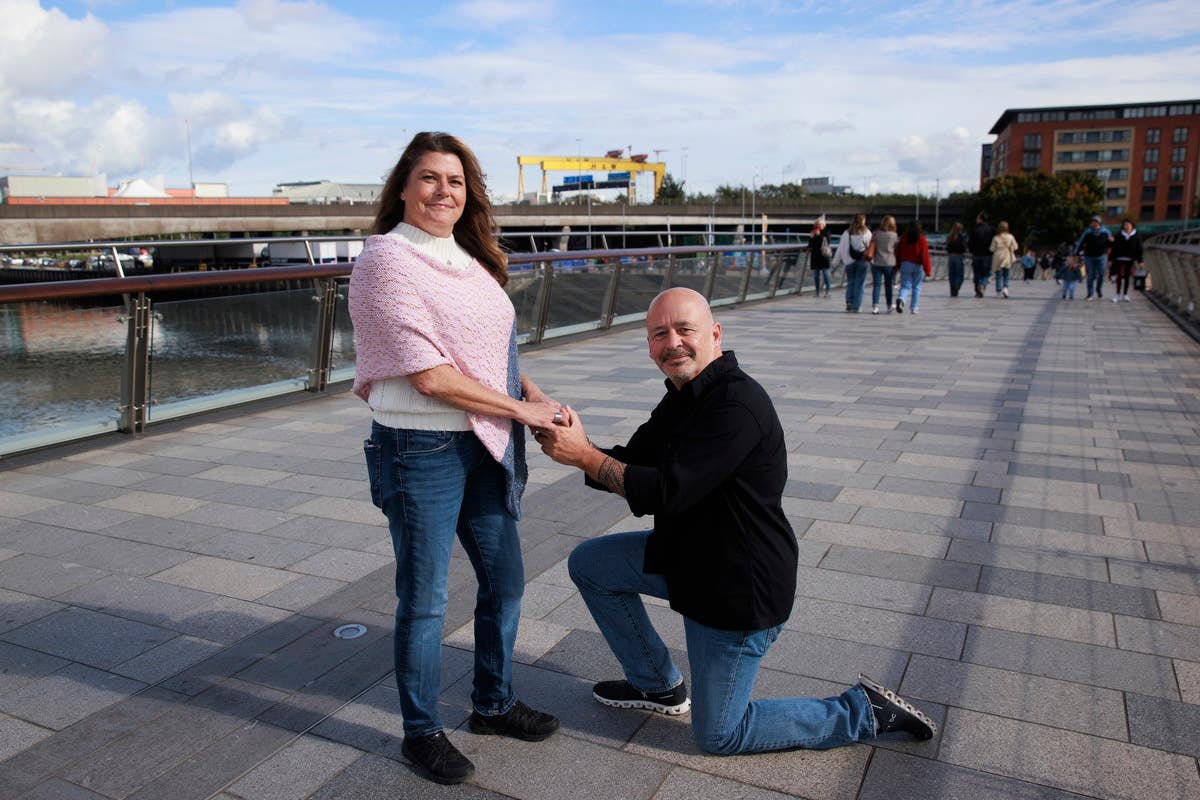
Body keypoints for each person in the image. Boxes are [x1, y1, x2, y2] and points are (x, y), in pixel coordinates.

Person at [533, 287, 937, 756]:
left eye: (685, 330)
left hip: (735, 589)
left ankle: (862, 712)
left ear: (715, 334)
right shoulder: (684, 396)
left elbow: (667, 491)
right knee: (591, 564)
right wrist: (571, 437)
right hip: (687, 558)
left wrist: (583, 457)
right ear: (649, 345)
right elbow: (634, 463)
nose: (673, 343)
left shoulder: (736, 405)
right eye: (659, 334)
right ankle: (657, 685)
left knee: (721, 734)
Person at [348, 131, 560, 785]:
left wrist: (533, 392)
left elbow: (494, 352)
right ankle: (421, 732)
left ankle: (492, 704)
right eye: (432, 178)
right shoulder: (385, 259)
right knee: (427, 599)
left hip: (483, 443)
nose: (446, 190)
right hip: (419, 448)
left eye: (457, 180)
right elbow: (430, 376)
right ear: (405, 188)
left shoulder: (471, 259)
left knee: (506, 583)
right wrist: (522, 413)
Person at [832, 213, 873, 313]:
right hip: (862, 261)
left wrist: (834, 263)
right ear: (863, 221)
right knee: (859, 284)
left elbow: (840, 249)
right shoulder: (867, 233)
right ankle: (856, 306)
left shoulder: (847, 233)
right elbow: (871, 248)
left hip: (849, 262)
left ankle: (849, 301)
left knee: (851, 282)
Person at [895, 219, 932, 314]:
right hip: (917, 265)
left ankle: (901, 299)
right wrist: (927, 270)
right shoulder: (921, 238)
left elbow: (898, 252)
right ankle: (914, 307)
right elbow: (925, 255)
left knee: (905, 286)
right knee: (916, 287)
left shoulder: (904, 238)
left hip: (905, 264)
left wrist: (898, 264)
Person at [1074, 215, 1113, 300]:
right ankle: (1090, 294)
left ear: (1099, 223)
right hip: (1089, 257)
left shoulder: (1106, 232)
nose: (1094, 223)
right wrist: (1076, 254)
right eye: (1092, 222)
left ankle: (1099, 290)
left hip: (1102, 256)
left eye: (1096, 222)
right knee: (1090, 276)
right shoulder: (1088, 232)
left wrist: (1111, 245)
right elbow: (1080, 243)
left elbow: (1112, 243)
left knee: (1101, 275)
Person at [869, 214, 899, 314]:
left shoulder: (876, 233)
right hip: (889, 263)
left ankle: (875, 306)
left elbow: (872, 246)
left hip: (876, 262)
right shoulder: (894, 235)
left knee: (876, 285)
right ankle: (889, 305)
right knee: (888, 286)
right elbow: (896, 250)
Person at [1109, 218, 1143, 302]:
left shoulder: (1136, 235)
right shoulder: (1119, 235)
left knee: (1127, 277)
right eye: (1125, 225)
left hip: (1130, 259)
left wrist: (1140, 261)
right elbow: (1113, 248)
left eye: (1128, 225)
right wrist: (1110, 259)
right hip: (1119, 259)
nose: (1126, 226)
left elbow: (1139, 249)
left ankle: (1125, 294)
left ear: (1132, 226)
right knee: (1119, 277)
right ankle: (1117, 294)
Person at [968, 212, 995, 298]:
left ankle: (977, 288)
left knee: (977, 272)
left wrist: (971, 250)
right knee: (986, 273)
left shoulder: (974, 230)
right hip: (987, 254)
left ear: (980, 219)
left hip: (976, 254)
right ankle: (983, 284)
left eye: (977, 218)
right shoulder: (991, 230)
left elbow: (970, 242)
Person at [989, 221, 1019, 298]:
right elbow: (1015, 247)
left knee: (998, 274)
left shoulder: (996, 237)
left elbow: (992, 249)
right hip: (1007, 255)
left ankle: (998, 290)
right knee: (1006, 273)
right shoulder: (1011, 237)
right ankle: (1005, 288)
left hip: (998, 255)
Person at [808, 215, 832, 298]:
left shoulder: (827, 232)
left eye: (820, 224)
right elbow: (810, 245)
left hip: (824, 256)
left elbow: (827, 241)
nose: (818, 226)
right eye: (817, 224)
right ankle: (817, 291)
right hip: (815, 256)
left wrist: (818, 236)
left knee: (826, 274)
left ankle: (828, 291)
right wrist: (811, 237)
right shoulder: (813, 232)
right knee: (816, 276)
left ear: (823, 224)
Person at [945, 222, 967, 296]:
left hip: (951, 256)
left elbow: (947, 247)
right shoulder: (962, 237)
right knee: (960, 274)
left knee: (952, 274)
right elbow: (964, 247)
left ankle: (952, 290)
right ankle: (957, 286)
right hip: (959, 256)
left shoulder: (949, 237)